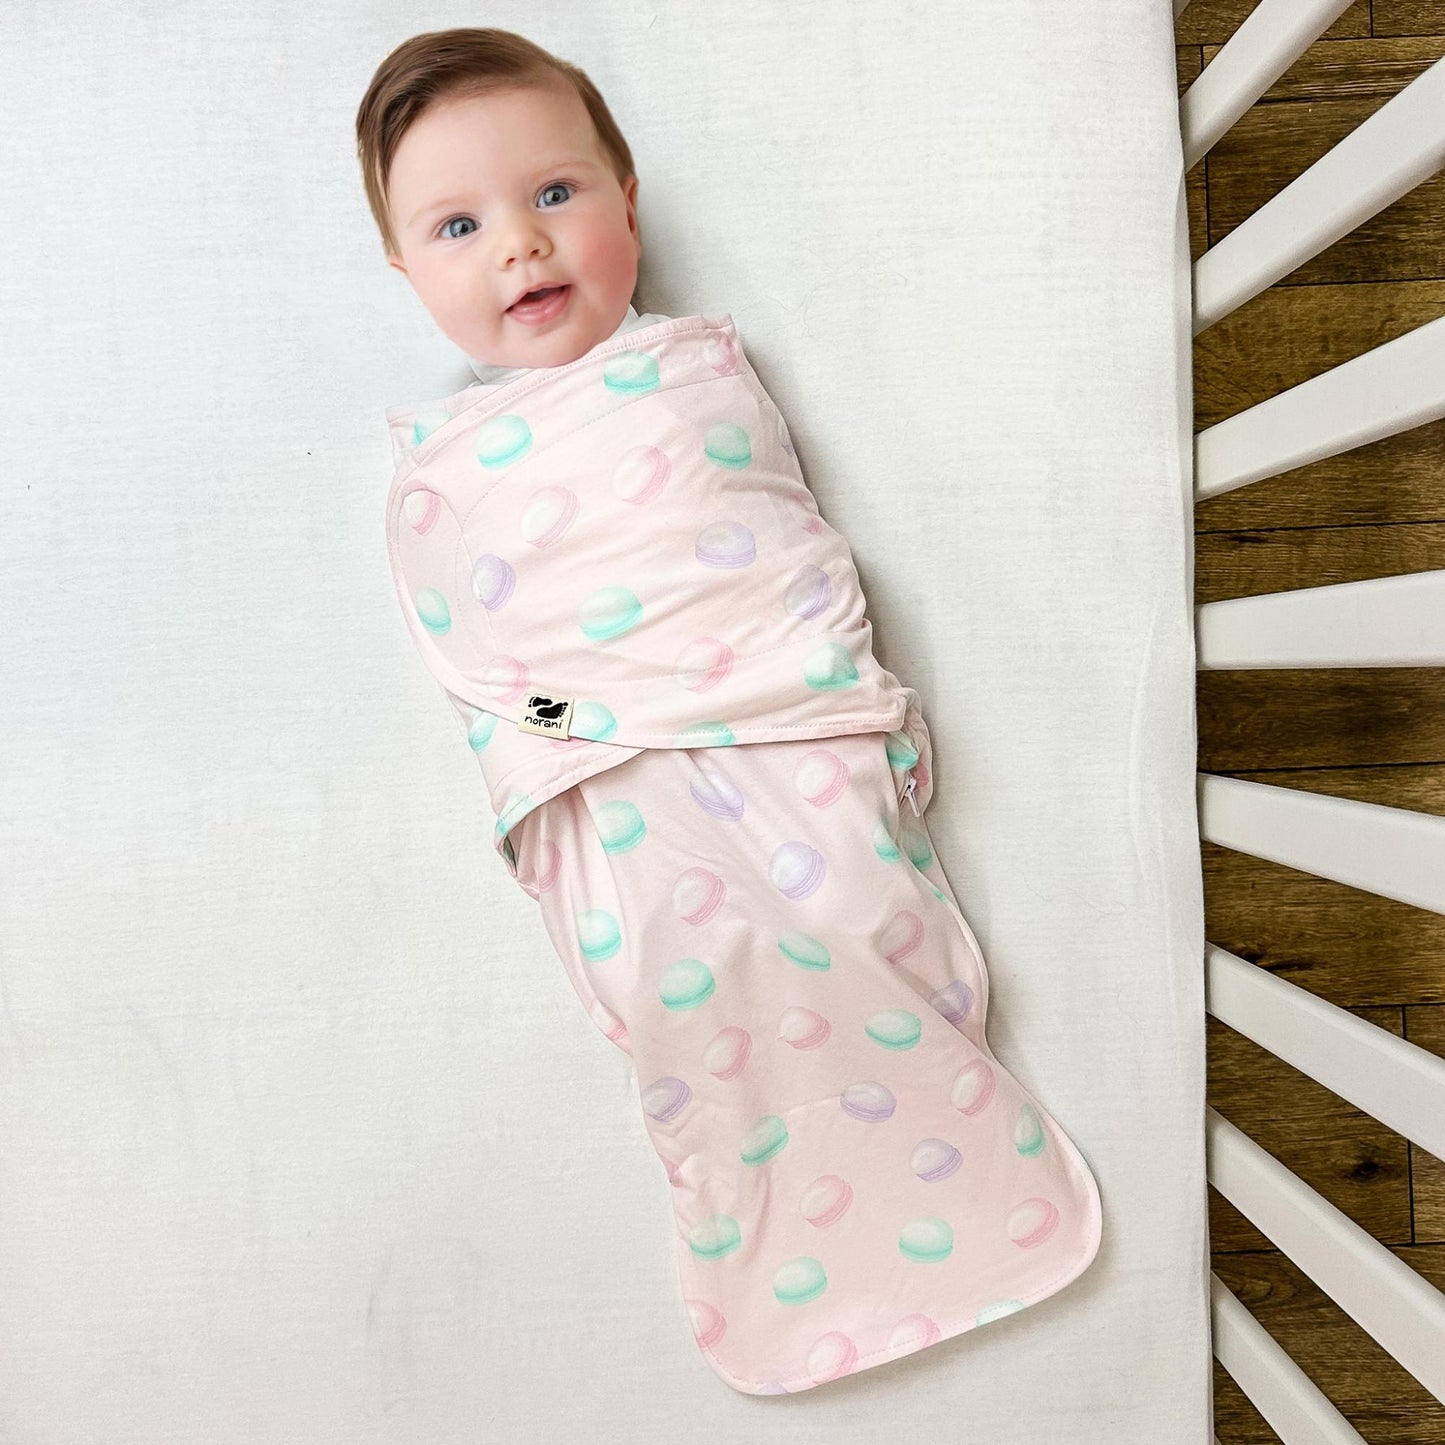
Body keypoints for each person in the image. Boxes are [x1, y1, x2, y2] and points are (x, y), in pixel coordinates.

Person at [356, 28, 1103, 1397]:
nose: (520, 246)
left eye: (556, 196)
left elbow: (780, 544)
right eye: (459, 226)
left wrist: (793, 695)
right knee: (672, 963)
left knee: (850, 906)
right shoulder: (447, 466)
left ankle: (921, 1148)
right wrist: (581, 720)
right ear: (407, 274)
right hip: (611, 757)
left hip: (776, 709)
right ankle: (772, 1206)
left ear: (628, 204)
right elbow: (473, 648)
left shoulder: (693, 371)